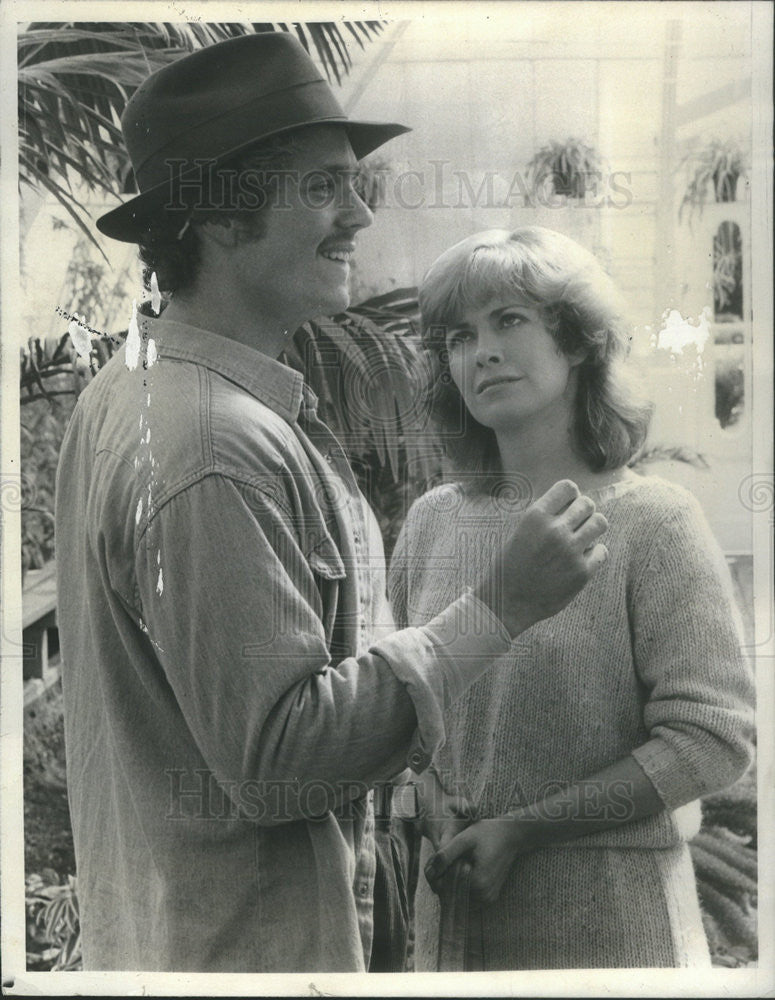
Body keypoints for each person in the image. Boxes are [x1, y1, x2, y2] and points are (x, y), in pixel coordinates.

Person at [54, 38, 609, 972]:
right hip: (249, 959)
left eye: (359, 186)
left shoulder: (135, 393)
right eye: (322, 189)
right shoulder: (212, 445)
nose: (357, 214)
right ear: (221, 217)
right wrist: (499, 609)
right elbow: (276, 762)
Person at [389, 226, 755, 970]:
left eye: (509, 320)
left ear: (579, 343)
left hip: (610, 933)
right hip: (449, 932)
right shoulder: (430, 522)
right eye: (459, 336)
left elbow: (713, 740)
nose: (481, 350)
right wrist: (420, 792)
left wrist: (523, 829)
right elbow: (403, 711)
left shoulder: (654, 522)